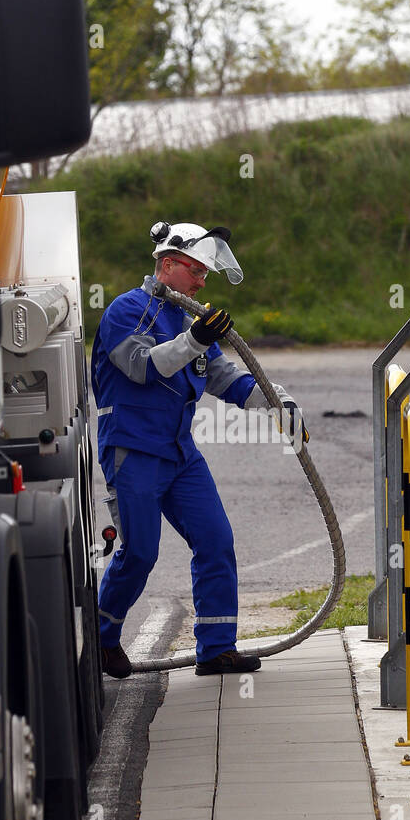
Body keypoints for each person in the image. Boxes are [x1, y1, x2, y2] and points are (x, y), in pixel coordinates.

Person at [91, 220, 304, 678]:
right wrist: (196, 340)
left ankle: (216, 650)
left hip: (180, 455)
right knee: (141, 553)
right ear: (168, 265)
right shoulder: (126, 311)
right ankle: (102, 637)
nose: (203, 281)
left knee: (215, 541)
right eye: (196, 270)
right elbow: (145, 367)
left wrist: (278, 401)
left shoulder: (190, 322)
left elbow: (227, 379)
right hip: (134, 452)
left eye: (206, 273)